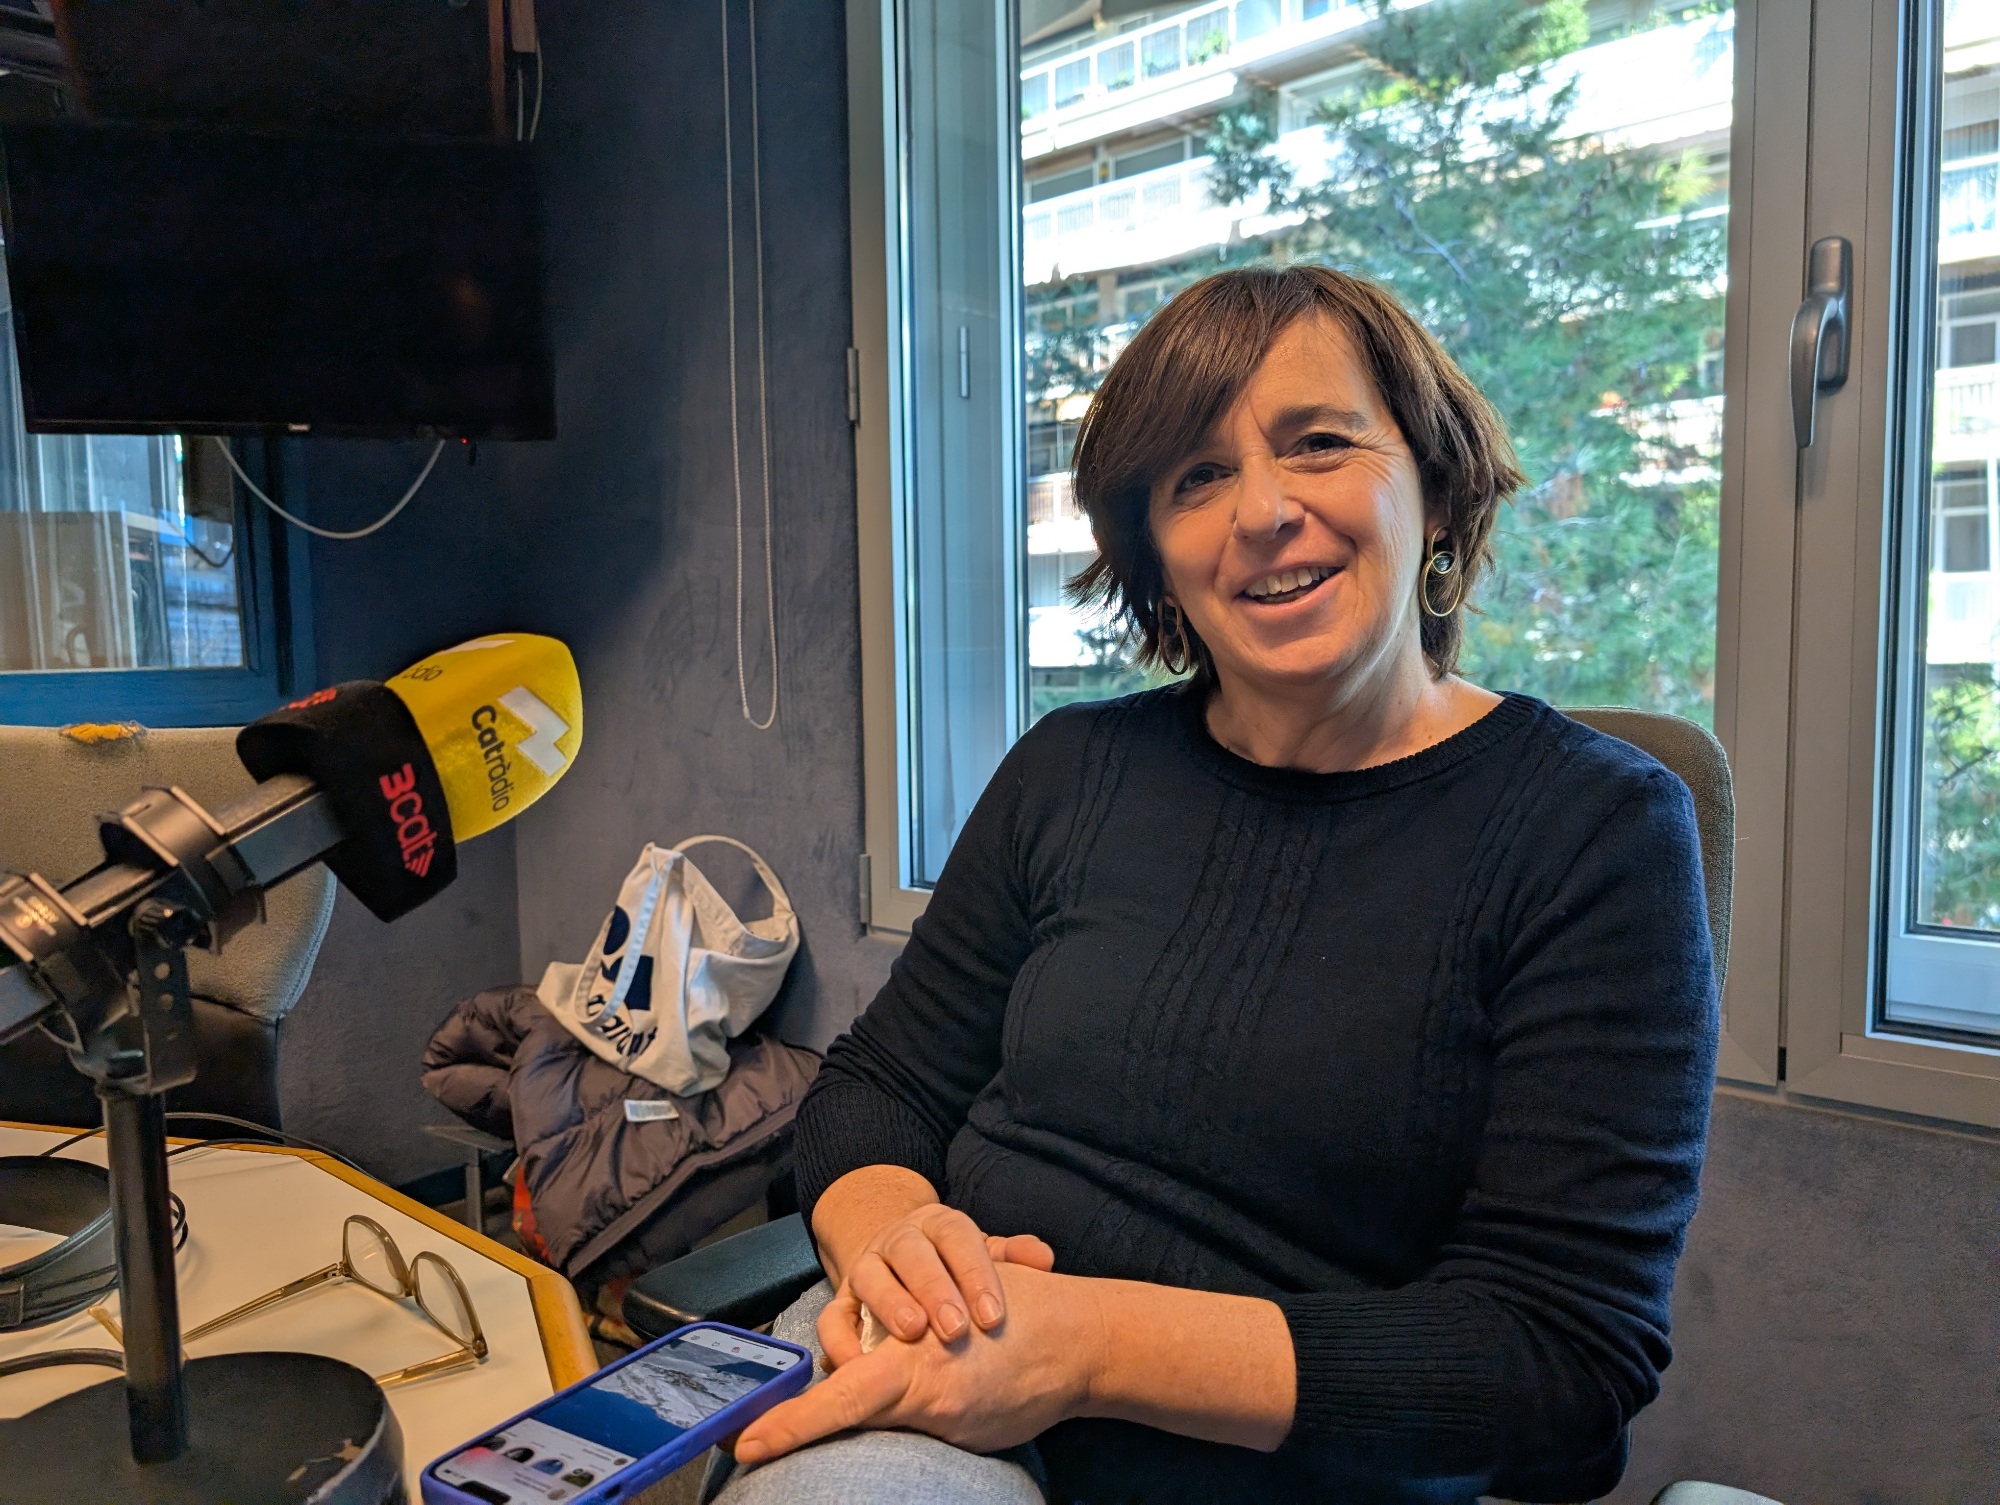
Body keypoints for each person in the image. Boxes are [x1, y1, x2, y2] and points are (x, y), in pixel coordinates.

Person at [725, 265, 1719, 1504]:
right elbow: (883, 1081)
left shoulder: (1595, 829)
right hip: (945, 1367)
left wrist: (1081, 1345)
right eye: (1196, 476)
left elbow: (1558, 1358)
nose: (1260, 511)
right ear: (1156, 554)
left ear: (1435, 487)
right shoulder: (1070, 767)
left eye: (1317, 443)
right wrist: (891, 1240)